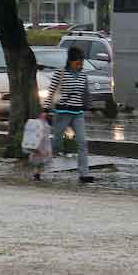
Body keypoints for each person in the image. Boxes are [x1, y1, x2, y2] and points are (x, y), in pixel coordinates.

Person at [44, 46, 94, 183]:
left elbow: (85, 93)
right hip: (62, 112)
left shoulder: (83, 75)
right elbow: (52, 92)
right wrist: (45, 109)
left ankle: (84, 173)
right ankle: (40, 165)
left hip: (78, 113)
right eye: (77, 62)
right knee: (56, 143)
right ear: (70, 61)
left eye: (81, 62)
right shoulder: (60, 73)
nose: (79, 65)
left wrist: (89, 106)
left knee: (82, 142)